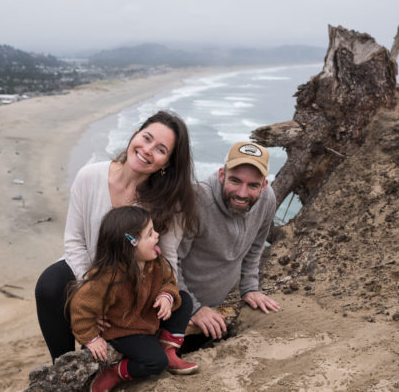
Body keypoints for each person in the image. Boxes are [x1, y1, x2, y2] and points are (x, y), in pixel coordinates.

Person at [35, 111, 197, 362]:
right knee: (49, 286)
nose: (147, 149)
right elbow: (75, 241)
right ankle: (64, 365)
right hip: (88, 271)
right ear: (134, 135)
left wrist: (160, 294)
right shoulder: (89, 176)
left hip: (134, 284)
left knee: (180, 300)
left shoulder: (169, 203)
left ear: (166, 163)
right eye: (146, 138)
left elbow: (167, 257)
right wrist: (92, 293)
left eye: (161, 149)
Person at [69, 206, 198, 392]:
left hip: (145, 317)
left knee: (184, 300)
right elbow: (81, 306)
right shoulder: (109, 278)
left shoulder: (155, 263)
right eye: (150, 234)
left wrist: (166, 296)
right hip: (122, 330)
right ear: (129, 245)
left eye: (154, 231)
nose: (157, 236)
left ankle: (168, 349)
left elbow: (169, 282)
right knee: (156, 363)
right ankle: (115, 372)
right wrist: (91, 338)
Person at [177, 141, 280, 340]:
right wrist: (192, 308)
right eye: (235, 180)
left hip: (216, 307)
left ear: (264, 185)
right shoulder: (197, 201)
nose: (242, 193)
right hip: (177, 308)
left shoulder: (267, 200)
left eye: (253, 185)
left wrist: (249, 287)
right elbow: (170, 261)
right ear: (222, 174)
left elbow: (256, 245)